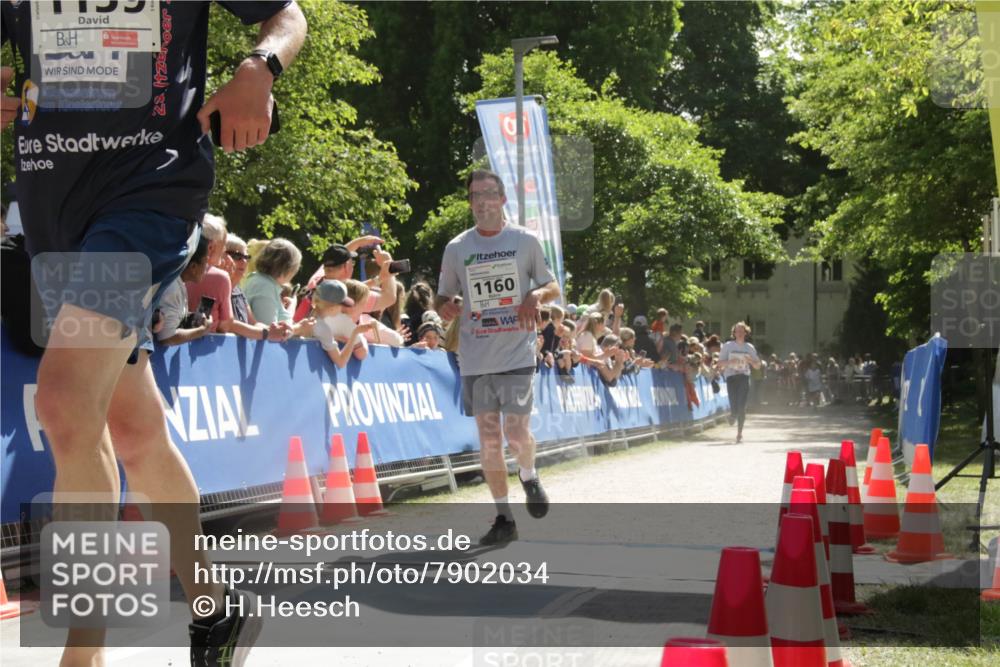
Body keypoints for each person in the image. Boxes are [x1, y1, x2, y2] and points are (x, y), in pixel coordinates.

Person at [1, 3, 306, 667]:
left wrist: (260, 68)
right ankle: (216, 606)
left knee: (64, 403)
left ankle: (84, 653)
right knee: (133, 428)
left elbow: (288, 14)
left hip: (149, 194)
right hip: (54, 208)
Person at [435, 170, 560, 545]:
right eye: (475, 195)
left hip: (516, 352)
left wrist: (535, 296)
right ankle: (504, 518)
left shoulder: (524, 240)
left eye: (488, 194)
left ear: (503, 199)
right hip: (476, 356)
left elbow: (552, 285)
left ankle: (528, 473)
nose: (481, 201)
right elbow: (441, 297)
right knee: (489, 440)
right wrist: (445, 307)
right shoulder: (457, 247)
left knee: (516, 433)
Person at [311, 280, 376, 368]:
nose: (343, 309)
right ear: (333, 308)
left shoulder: (311, 317)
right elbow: (341, 362)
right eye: (342, 305)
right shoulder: (323, 328)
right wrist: (355, 333)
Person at [717, 322, 762, 443]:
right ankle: (733, 415)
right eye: (737, 331)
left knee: (741, 406)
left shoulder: (749, 347)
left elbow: (758, 366)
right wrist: (730, 362)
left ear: (746, 333)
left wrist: (750, 360)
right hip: (731, 377)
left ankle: (739, 434)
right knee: (734, 405)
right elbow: (719, 363)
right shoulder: (727, 346)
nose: (740, 333)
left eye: (742, 331)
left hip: (743, 377)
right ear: (734, 333)